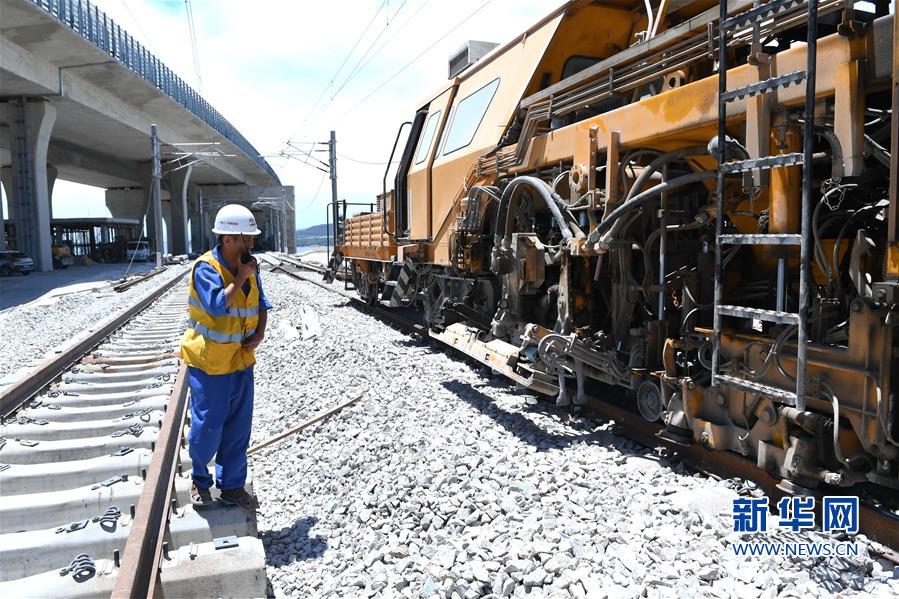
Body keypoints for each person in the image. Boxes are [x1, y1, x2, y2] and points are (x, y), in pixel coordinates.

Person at [180, 204, 272, 509]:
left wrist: (259, 333)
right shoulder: (206, 268)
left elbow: (262, 303)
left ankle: (232, 486)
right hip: (210, 363)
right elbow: (217, 306)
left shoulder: (250, 267)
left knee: (238, 428)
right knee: (208, 426)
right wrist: (242, 276)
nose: (253, 244)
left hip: (241, 361)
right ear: (230, 238)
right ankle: (199, 479)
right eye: (248, 238)